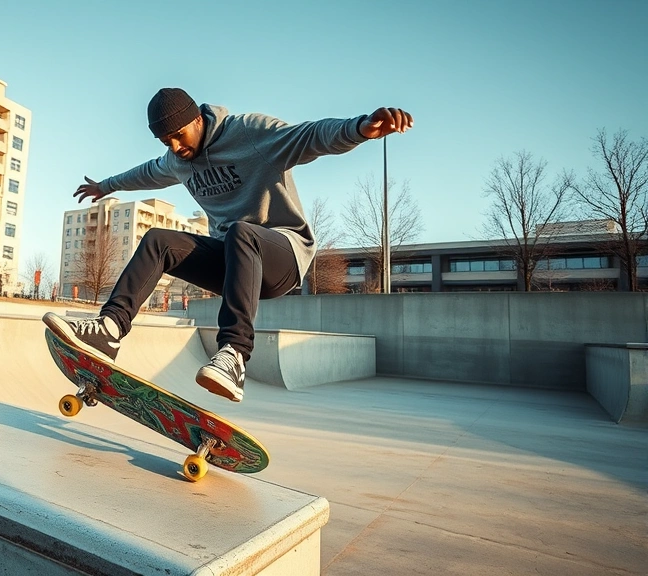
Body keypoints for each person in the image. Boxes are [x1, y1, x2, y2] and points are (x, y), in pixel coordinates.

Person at [43, 88, 413, 402]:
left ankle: (234, 355)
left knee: (241, 230)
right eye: (165, 142)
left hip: (281, 257)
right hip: (234, 264)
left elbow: (310, 136)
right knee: (158, 240)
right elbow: (146, 172)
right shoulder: (176, 160)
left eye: (179, 136)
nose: (175, 147)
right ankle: (110, 328)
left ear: (198, 119)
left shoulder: (249, 133)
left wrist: (360, 129)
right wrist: (106, 186)